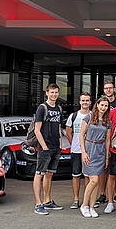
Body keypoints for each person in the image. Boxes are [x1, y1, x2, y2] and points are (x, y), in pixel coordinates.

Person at [32, 83, 64, 215]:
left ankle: (47, 200)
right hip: (45, 147)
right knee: (39, 173)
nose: (54, 95)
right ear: (47, 93)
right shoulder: (42, 108)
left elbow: (58, 127)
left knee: (49, 174)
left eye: (56, 92)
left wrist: (61, 143)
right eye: (52, 92)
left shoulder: (58, 108)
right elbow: (37, 129)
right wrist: (44, 146)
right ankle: (38, 204)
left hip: (56, 146)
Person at [78, 96, 112, 217]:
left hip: (100, 151)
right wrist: (83, 152)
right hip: (89, 149)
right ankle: (84, 205)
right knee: (94, 180)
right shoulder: (88, 118)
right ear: (97, 105)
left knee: (96, 182)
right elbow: (81, 135)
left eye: (106, 106)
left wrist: (107, 157)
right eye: (102, 105)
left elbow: (107, 140)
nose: (103, 107)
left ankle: (92, 207)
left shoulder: (108, 122)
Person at [93, 79, 116, 206]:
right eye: (106, 88)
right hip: (100, 141)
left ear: (114, 89)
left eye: (110, 88)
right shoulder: (101, 103)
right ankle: (102, 194)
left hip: (114, 140)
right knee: (103, 169)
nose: (109, 90)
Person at [65, 92, 92, 210]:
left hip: (89, 151)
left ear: (90, 102)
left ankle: (88, 199)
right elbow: (68, 133)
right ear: (80, 102)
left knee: (88, 176)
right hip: (76, 151)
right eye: (83, 100)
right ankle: (76, 199)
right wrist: (75, 145)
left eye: (87, 100)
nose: (85, 102)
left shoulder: (93, 115)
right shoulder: (73, 116)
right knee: (76, 175)